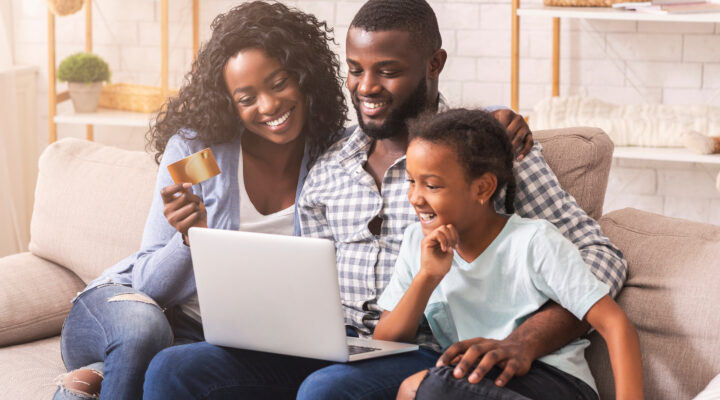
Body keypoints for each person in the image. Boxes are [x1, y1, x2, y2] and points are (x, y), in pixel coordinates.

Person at [143, 0, 627, 399]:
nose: (367, 88)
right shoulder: (327, 166)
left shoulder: (487, 152)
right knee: (174, 369)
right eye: (355, 70)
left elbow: (601, 256)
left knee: (326, 390)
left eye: (388, 71)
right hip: (332, 348)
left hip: (423, 351)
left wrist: (525, 339)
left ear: (434, 64)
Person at [52, 2, 346, 399]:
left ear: (304, 76)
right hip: (127, 306)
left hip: (213, 337)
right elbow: (151, 286)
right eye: (247, 98)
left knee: (162, 365)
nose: (269, 105)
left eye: (279, 83)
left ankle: (92, 381)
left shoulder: (331, 157)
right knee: (144, 332)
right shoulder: (202, 156)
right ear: (230, 104)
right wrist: (188, 238)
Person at [373, 108, 642, 400]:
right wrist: (427, 276)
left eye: (432, 185)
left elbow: (615, 325)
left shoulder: (533, 241)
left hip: (556, 381)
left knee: (425, 387)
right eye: (411, 181)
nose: (415, 197)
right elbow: (385, 340)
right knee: (424, 386)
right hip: (481, 379)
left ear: (483, 188)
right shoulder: (417, 242)